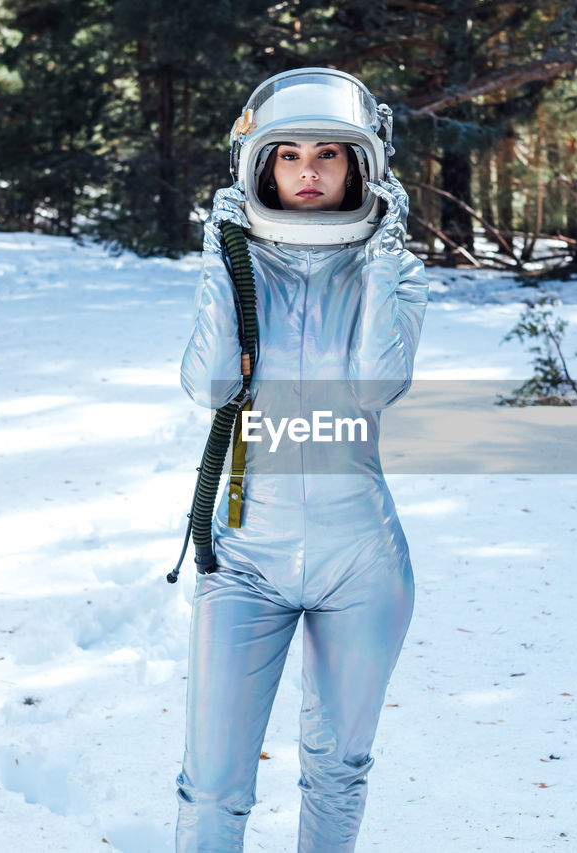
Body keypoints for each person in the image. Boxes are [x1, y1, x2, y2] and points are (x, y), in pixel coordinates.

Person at [175, 67, 429, 853]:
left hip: (362, 562)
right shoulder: (238, 262)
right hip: (245, 558)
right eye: (287, 154)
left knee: (338, 767)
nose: (309, 170)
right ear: (260, 166)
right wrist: (225, 261)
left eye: (328, 153)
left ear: (361, 165)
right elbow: (210, 381)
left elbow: (371, 388)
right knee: (212, 783)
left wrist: (384, 261)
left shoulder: (394, 271)